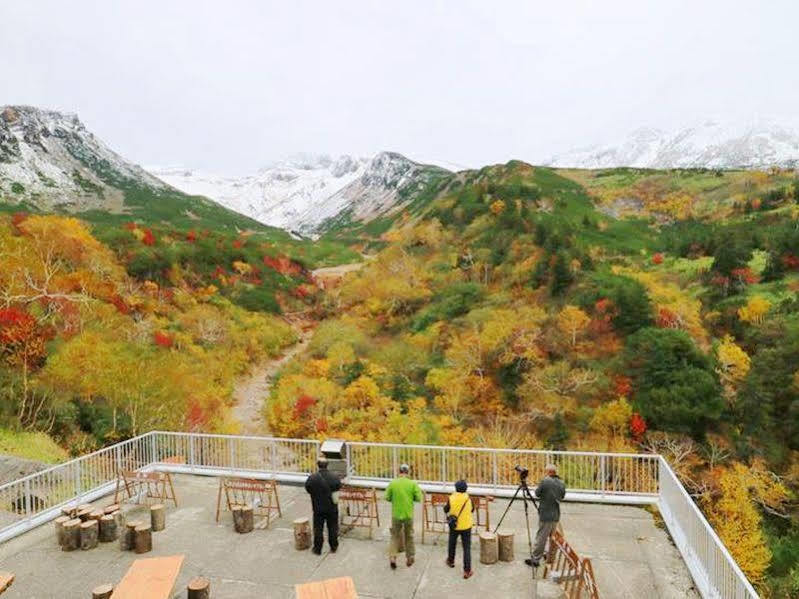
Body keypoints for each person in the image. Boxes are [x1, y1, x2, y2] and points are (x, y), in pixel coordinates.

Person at [526, 463, 566, 567]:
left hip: (546, 515)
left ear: (549, 472)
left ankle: (535, 559)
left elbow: (537, 493)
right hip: (556, 515)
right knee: (552, 538)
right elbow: (562, 496)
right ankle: (549, 556)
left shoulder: (545, 481)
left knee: (541, 537)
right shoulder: (561, 482)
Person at [384, 463, 423, 569]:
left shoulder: (393, 483)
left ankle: (392, 557)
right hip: (408, 515)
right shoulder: (412, 484)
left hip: (396, 514)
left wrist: (395, 499)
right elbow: (419, 498)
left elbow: (386, 497)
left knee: (394, 536)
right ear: (408, 472)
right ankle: (410, 557)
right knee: (409, 536)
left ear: (399, 472)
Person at [304, 456, 342, 555]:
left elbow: (308, 488)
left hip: (318, 507)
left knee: (318, 528)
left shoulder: (313, 477)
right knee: (333, 527)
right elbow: (338, 486)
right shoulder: (334, 477)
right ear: (327, 465)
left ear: (318, 465)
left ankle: (318, 549)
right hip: (332, 507)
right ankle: (334, 546)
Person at [444, 479, 474, 579]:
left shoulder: (451, 497)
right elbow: (472, 509)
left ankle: (450, 561)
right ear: (466, 489)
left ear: (456, 488)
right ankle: (467, 571)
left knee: (452, 544)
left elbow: (446, 509)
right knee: (467, 548)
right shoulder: (468, 498)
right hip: (466, 526)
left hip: (454, 526)